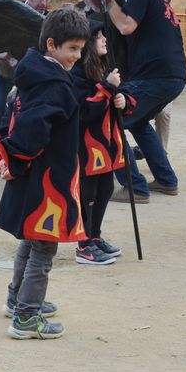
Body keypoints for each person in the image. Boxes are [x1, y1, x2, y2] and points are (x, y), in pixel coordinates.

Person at [0, 6, 89, 340]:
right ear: (51, 44)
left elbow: (10, 114)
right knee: (44, 248)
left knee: (31, 239)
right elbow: (32, 130)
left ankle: (17, 299)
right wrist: (16, 157)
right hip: (48, 181)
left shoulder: (33, 74)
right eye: (72, 48)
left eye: (80, 49)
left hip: (37, 176)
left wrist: (11, 156)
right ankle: (27, 316)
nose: (77, 56)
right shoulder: (53, 85)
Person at [96, 0, 186, 203]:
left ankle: (135, 187)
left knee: (110, 120)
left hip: (154, 76)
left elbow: (125, 26)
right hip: (174, 77)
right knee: (138, 123)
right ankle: (166, 180)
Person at [70, 21, 132, 266]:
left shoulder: (103, 68)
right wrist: (107, 88)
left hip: (107, 146)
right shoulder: (77, 73)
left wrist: (123, 100)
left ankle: (94, 236)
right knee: (87, 194)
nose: (104, 39)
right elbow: (84, 110)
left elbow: (119, 96)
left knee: (105, 189)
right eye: (98, 37)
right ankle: (84, 245)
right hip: (87, 147)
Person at [0, 0, 53, 167]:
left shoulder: (49, 21)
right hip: (1, 70)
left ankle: (30, 150)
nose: (44, 3)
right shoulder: (9, 14)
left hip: (28, 73)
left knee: (32, 107)